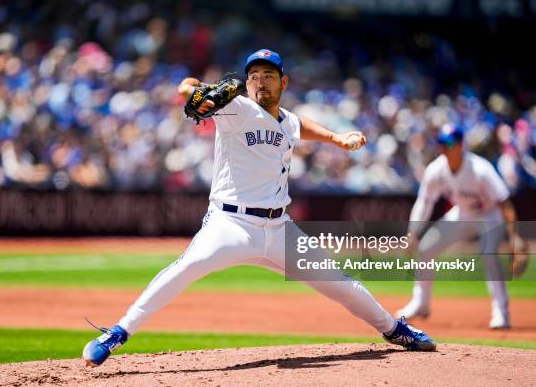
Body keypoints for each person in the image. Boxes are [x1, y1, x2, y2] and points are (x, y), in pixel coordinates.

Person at [82, 49, 436, 367]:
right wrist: (193, 91)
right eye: (253, 76)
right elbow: (185, 88)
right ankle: (117, 333)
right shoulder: (236, 107)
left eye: (268, 75)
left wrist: (336, 139)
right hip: (231, 223)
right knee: (186, 267)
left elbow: (298, 126)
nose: (259, 82)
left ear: (283, 81)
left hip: (279, 229)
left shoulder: (288, 120)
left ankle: (394, 330)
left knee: (340, 284)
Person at [396, 124, 525, 329]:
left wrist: (515, 238)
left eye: (450, 143)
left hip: (490, 215)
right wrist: (413, 232)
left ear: (460, 145)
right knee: (426, 247)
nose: (445, 148)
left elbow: (505, 204)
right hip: (462, 212)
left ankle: (501, 312)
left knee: (488, 254)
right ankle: (421, 303)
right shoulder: (436, 169)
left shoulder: (480, 169)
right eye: (442, 143)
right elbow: (424, 202)